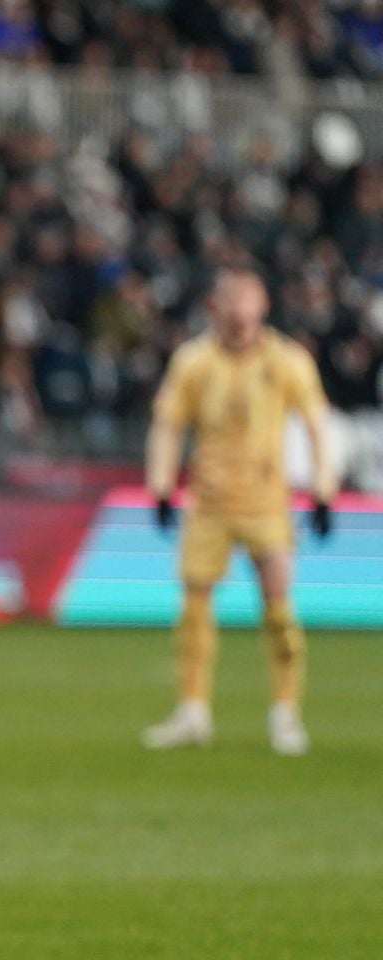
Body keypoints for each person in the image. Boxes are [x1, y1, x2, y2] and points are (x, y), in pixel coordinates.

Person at [141, 268, 337, 756]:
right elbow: (167, 424)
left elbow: (317, 424)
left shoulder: (286, 360)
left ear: (263, 305)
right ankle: (192, 712)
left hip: (265, 500)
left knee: (278, 607)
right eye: (229, 301)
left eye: (246, 301)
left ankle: (286, 713)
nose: (237, 312)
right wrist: (161, 486)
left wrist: (324, 490)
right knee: (194, 604)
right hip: (208, 500)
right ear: (215, 307)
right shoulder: (194, 360)